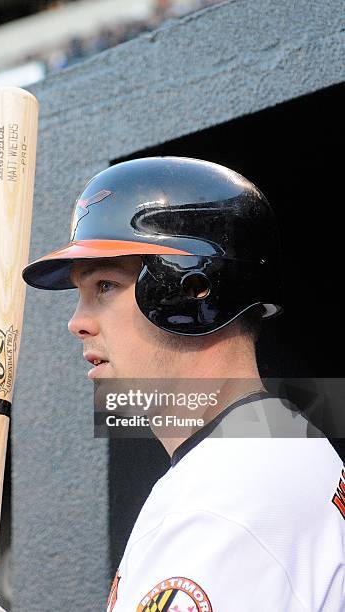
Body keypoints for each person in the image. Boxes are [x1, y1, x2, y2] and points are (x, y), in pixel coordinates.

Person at [23, 157, 345, 611]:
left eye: (105, 287)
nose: (77, 322)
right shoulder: (264, 448)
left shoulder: (229, 495)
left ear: (192, 287)